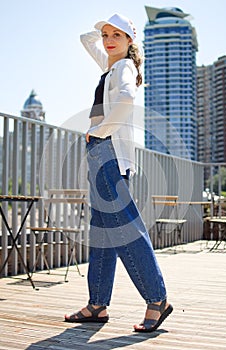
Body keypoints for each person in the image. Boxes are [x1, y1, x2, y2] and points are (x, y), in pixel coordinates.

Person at [64, 13, 173, 333]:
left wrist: (100, 129)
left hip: (108, 151)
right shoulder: (112, 65)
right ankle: (97, 304)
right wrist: (104, 29)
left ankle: (157, 299)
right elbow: (87, 40)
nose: (108, 40)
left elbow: (126, 99)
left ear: (130, 42)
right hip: (102, 153)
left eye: (117, 35)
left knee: (126, 230)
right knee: (103, 234)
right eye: (107, 35)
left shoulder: (124, 67)